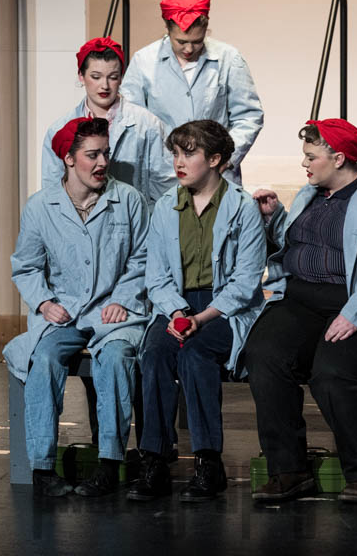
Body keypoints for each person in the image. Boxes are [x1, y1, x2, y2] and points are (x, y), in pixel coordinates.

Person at [244, 119, 357, 504]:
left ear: (339, 158)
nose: (304, 164)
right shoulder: (309, 194)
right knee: (264, 355)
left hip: (356, 304)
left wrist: (355, 314)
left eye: (311, 157)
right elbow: (296, 244)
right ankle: (288, 470)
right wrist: (273, 218)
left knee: (333, 372)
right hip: (300, 299)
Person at [4, 117, 150, 497]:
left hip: (114, 314)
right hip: (65, 312)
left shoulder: (129, 200)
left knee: (115, 359)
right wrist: (44, 301)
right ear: (69, 159)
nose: (102, 162)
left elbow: (142, 259)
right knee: (43, 360)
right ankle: (42, 469)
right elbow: (26, 266)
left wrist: (122, 298)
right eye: (92, 155)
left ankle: (109, 464)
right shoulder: (41, 207)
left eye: (106, 153)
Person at [128, 120, 266, 503]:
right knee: (155, 354)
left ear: (216, 159)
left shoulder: (243, 208)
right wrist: (177, 312)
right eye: (175, 153)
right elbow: (156, 276)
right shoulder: (165, 207)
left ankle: (208, 461)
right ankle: (155, 458)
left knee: (195, 354)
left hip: (224, 309)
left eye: (189, 153)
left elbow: (246, 282)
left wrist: (200, 319)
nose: (179, 162)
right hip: (176, 304)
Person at [120, 0, 264, 186]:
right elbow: (132, 119)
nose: (188, 49)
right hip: (165, 176)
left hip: (216, 174)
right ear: (167, 30)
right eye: (181, 41)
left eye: (197, 41)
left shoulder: (229, 58)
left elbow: (249, 116)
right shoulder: (144, 61)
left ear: (206, 30)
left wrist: (227, 157)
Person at [41, 36, 175, 209]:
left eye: (112, 77)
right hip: (78, 222)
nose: (104, 85)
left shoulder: (148, 125)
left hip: (133, 221)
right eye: (96, 77)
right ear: (81, 76)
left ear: (121, 78)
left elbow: (164, 188)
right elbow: (52, 192)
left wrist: (147, 221)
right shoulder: (59, 130)